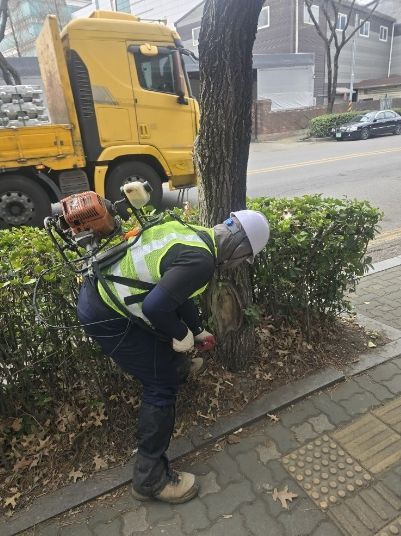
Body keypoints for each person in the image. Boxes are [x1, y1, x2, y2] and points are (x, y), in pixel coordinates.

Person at [77, 209, 270, 504]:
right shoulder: (203, 262)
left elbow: (174, 291)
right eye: (245, 258)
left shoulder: (196, 236)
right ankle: (150, 479)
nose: (239, 264)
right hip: (106, 315)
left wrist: (197, 330)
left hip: (100, 293)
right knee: (160, 384)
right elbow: (155, 307)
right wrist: (182, 334)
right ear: (240, 247)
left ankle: (177, 368)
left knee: (165, 348)